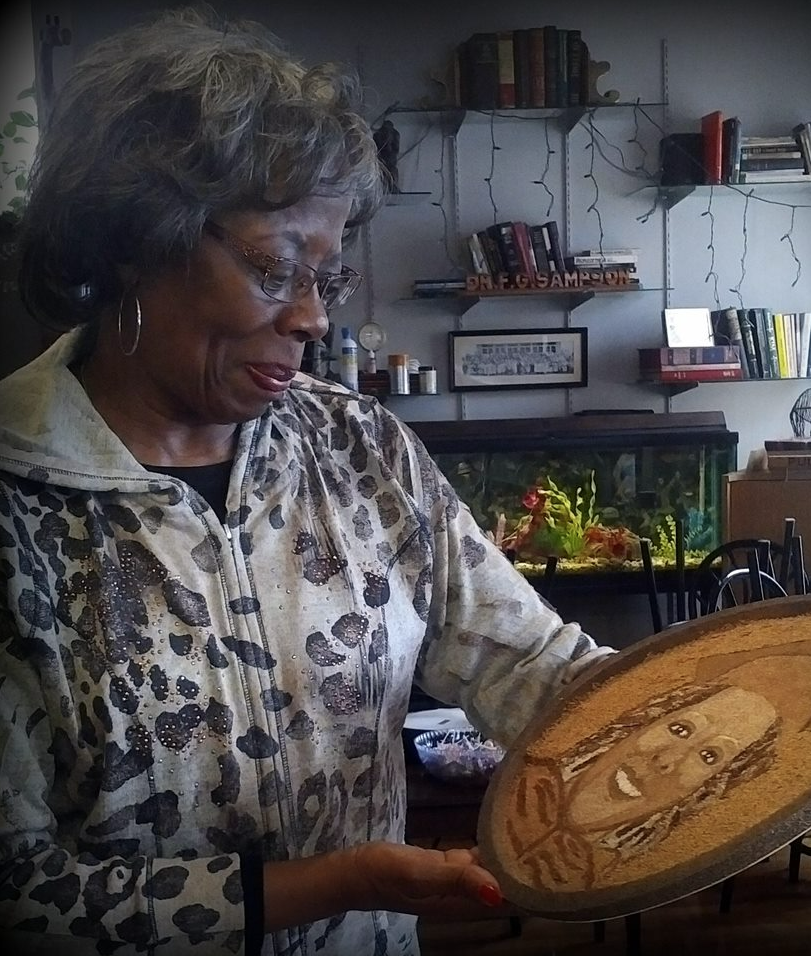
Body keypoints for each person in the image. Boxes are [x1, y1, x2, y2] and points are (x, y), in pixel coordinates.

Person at [0, 8, 613, 955]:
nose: (310, 319)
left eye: (326, 277)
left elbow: (528, 663)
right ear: (130, 240)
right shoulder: (17, 500)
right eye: (276, 266)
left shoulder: (358, 447)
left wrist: (715, 707)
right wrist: (337, 881)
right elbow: (21, 892)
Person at [500, 653, 811, 892]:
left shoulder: (616, 869)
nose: (667, 760)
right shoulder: (522, 787)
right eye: (680, 729)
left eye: (709, 756)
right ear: (643, 720)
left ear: (710, 788)